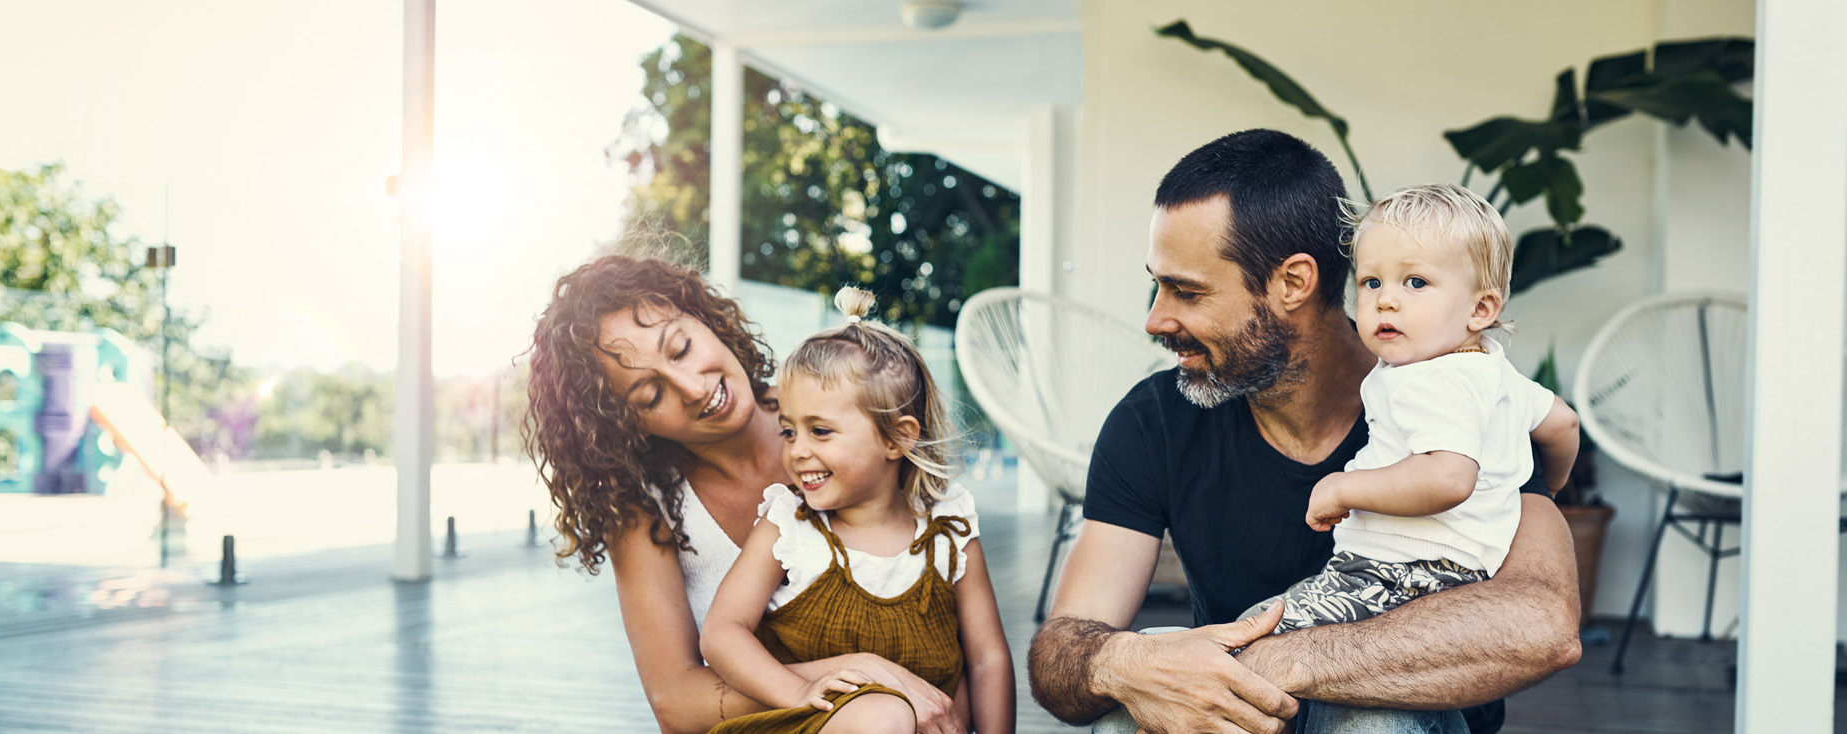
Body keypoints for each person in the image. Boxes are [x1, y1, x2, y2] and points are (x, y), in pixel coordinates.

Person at [1025, 130, 1582, 734]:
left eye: (1186, 291)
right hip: (1243, 709)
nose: (1156, 319)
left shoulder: (1465, 399)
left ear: (1293, 282)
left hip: (1385, 711)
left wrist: (1270, 662)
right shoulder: (1155, 419)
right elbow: (1062, 654)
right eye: (1157, 285)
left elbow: (1542, 626)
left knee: (1373, 724)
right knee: (1131, 702)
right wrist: (1125, 662)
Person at [525, 255, 970, 734]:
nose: (693, 388)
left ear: (703, 317)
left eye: (681, 348)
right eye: (650, 397)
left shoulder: (851, 407)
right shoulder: (645, 511)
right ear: (623, 424)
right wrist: (866, 676)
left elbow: (963, 626)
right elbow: (675, 703)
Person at [1239, 183, 1581, 636]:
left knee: (1253, 633)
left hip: (1398, 571)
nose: (1385, 299)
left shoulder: (1427, 380)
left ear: (1481, 308)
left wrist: (1343, 488)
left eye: (1415, 282)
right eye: (1371, 282)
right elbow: (1563, 423)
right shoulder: (1492, 370)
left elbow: (1447, 478)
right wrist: (1550, 488)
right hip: (1462, 572)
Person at [700, 287, 1015, 734]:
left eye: (821, 430)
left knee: (957, 692)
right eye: (789, 431)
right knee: (883, 717)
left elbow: (988, 657)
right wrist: (795, 692)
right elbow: (721, 634)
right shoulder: (788, 526)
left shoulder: (949, 528)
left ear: (897, 438)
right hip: (805, 724)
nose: (797, 451)